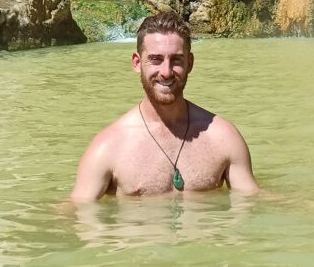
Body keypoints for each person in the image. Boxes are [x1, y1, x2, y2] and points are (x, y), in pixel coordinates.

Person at [71, 12, 258, 200]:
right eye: (155, 59)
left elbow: (251, 203)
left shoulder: (223, 137)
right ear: (137, 63)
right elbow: (79, 214)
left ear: (190, 63)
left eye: (176, 60)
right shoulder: (108, 147)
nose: (166, 72)